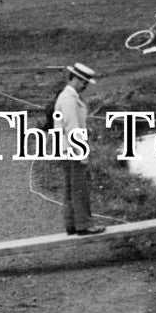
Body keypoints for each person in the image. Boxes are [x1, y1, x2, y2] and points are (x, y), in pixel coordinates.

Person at [54, 62, 105, 235]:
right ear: (74, 79)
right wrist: (81, 153)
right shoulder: (68, 98)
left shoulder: (69, 96)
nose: (84, 86)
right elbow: (72, 128)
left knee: (70, 189)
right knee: (80, 189)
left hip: (65, 149)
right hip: (73, 150)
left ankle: (71, 224)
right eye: (82, 82)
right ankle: (85, 225)